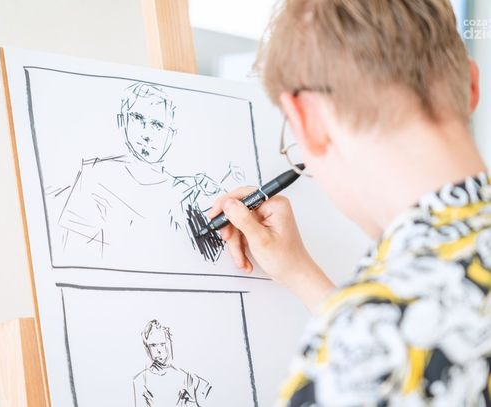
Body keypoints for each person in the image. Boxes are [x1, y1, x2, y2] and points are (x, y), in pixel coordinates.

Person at [209, 0, 491, 405]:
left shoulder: (366, 343)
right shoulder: (386, 327)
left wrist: (348, 326)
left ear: (308, 120)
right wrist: (301, 274)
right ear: (471, 84)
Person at [53, 82, 243, 261]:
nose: (147, 134)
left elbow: (211, 258)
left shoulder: (187, 193)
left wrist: (214, 204)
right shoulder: (96, 175)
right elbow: (73, 249)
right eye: (138, 118)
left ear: (171, 135)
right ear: (122, 121)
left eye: (157, 125)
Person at [132, 320, 211, 407]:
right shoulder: (141, 380)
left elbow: (208, 397)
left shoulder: (185, 376)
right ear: (147, 347)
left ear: (168, 343)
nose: (159, 350)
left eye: (162, 344)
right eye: (153, 345)